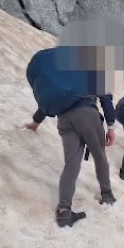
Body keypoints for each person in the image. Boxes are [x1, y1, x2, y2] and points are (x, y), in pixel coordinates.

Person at [25, 91, 118, 228]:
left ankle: (64, 211)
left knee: (72, 163)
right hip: (87, 113)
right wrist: (111, 126)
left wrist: (36, 121)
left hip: (64, 118)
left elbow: (51, 97)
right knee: (99, 156)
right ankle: (107, 195)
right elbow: (105, 98)